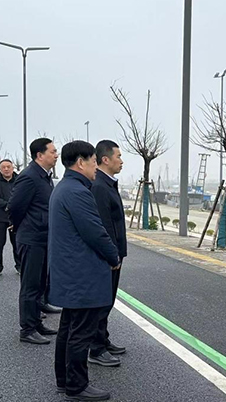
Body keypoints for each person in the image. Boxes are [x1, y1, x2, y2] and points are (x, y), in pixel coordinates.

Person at [49, 140, 119, 401]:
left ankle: (64, 380)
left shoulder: (64, 188)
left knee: (68, 328)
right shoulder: (77, 192)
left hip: (71, 272)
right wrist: (113, 256)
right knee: (80, 332)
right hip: (82, 274)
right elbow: (95, 232)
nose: (95, 167)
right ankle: (77, 386)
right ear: (81, 162)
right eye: (93, 162)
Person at [8, 138, 59, 344]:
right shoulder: (29, 176)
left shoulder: (44, 176)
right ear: (40, 155)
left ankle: (36, 322)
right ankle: (27, 329)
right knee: (30, 285)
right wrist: (23, 226)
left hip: (43, 237)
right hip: (31, 238)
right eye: (53, 151)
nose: (56, 155)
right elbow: (14, 207)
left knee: (39, 284)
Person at [88, 140, 127, 367]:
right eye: (118, 156)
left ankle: (103, 339)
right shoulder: (100, 187)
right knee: (102, 302)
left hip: (114, 254)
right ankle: (96, 348)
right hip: (108, 257)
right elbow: (103, 226)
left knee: (108, 300)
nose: (121, 161)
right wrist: (112, 255)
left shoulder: (107, 183)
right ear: (105, 159)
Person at [0, 159, 20, 277]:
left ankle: (20, 265)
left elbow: (22, 195)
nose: (6, 169)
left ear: (12, 168)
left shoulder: (19, 181)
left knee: (17, 243)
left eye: (8, 167)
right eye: (3, 167)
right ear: (0, 169)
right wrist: (6, 205)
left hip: (15, 217)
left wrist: (13, 205)